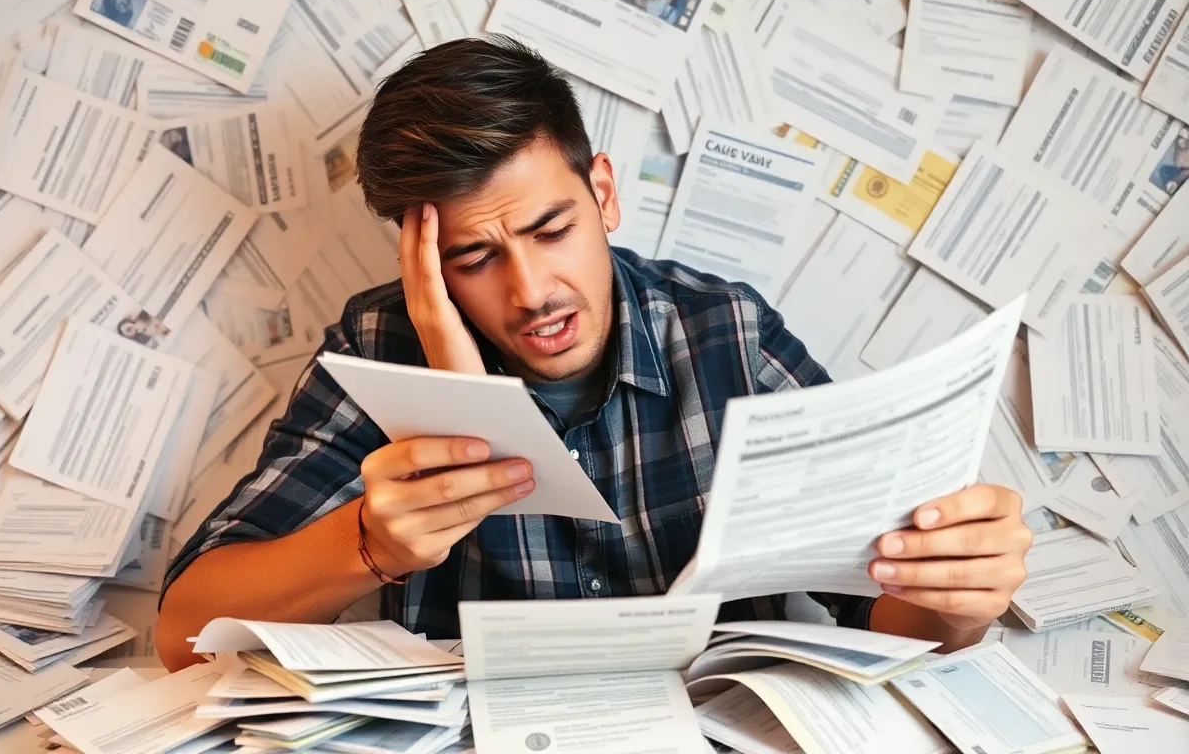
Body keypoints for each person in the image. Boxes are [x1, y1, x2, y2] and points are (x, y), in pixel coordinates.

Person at [156, 36, 1033, 671]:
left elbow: (884, 620)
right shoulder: (380, 347)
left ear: (603, 193)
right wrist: (370, 546)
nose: (531, 290)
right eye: (475, 257)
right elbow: (181, 634)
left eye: (551, 229)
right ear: (422, 264)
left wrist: (954, 598)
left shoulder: (727, 333)